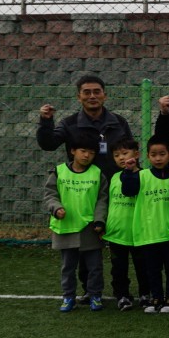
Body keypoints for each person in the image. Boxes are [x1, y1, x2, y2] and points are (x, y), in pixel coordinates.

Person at [44, 131, 108, 313]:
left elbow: (102, 200)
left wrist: (99, 220)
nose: (87, 155)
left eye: (91, 152)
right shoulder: (59, 171)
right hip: (66, 227)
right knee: (68, 267)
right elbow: (49, 195)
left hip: (90, 228)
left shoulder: (98, 174)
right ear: (73, 151)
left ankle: (95, 295)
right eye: (83, 151)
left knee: (95, 266)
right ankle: (68, 297)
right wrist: (56, 208)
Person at [122, 137, 169, 314]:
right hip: (149, 233)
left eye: (162, 154)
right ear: (147, 157)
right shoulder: (141, 175)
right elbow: (128, 191)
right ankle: (156, 298)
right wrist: (129, 171)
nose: (158, 158)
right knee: (152, 270)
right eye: (153, 155)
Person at [37, 74, 134, 179]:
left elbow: (130, 152)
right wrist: (46, 121)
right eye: (87, 92)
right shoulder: (69, 124)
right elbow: (48, 145)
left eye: (97, 92)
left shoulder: (119, 122)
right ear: (79, 97)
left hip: (116, 183)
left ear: (104, 96)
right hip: (82, 186)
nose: (92, 96)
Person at [103, 139, 146, 311]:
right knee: (118, 268)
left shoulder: (146, 176)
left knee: (143, 266)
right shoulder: (113, 177)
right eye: (116, 155)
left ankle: (145, 294)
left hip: (139, 232)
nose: (121, 158)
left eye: (125, 153)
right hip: (117, 232)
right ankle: (122, 296)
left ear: (136, 154)